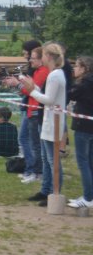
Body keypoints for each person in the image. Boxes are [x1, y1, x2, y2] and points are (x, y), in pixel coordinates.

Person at [20, 43, 67, 207]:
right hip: (49, 121)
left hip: (53, 122)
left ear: (49, 57)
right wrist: (33, 87)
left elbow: (49, 100)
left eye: (44, 55)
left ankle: (54, 191)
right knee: (46, 159)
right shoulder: (55, 74)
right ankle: (46, 190)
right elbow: (46, 95)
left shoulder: (55, 75)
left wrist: (32, 91)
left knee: (52, 160)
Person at [3, 42, 46, 184]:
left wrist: (17, 83)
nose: (29, 60)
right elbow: (29, 90)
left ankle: (35, 171)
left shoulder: (42, 72)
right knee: (28, 140)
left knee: (34, 143)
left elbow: (32, 91)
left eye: (32, 57)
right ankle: (31, 170)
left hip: (35, 110)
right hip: (30, 109)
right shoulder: (37, 71)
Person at [67, 56, 93, 208]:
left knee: (83, 162)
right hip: (90, 126)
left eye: (77, 66)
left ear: (84, 69)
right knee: (89, 161)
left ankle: (88, 198)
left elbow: (70, 94)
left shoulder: (84, 84)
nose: (74, 69)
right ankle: (89, 195)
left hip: (83, 126)